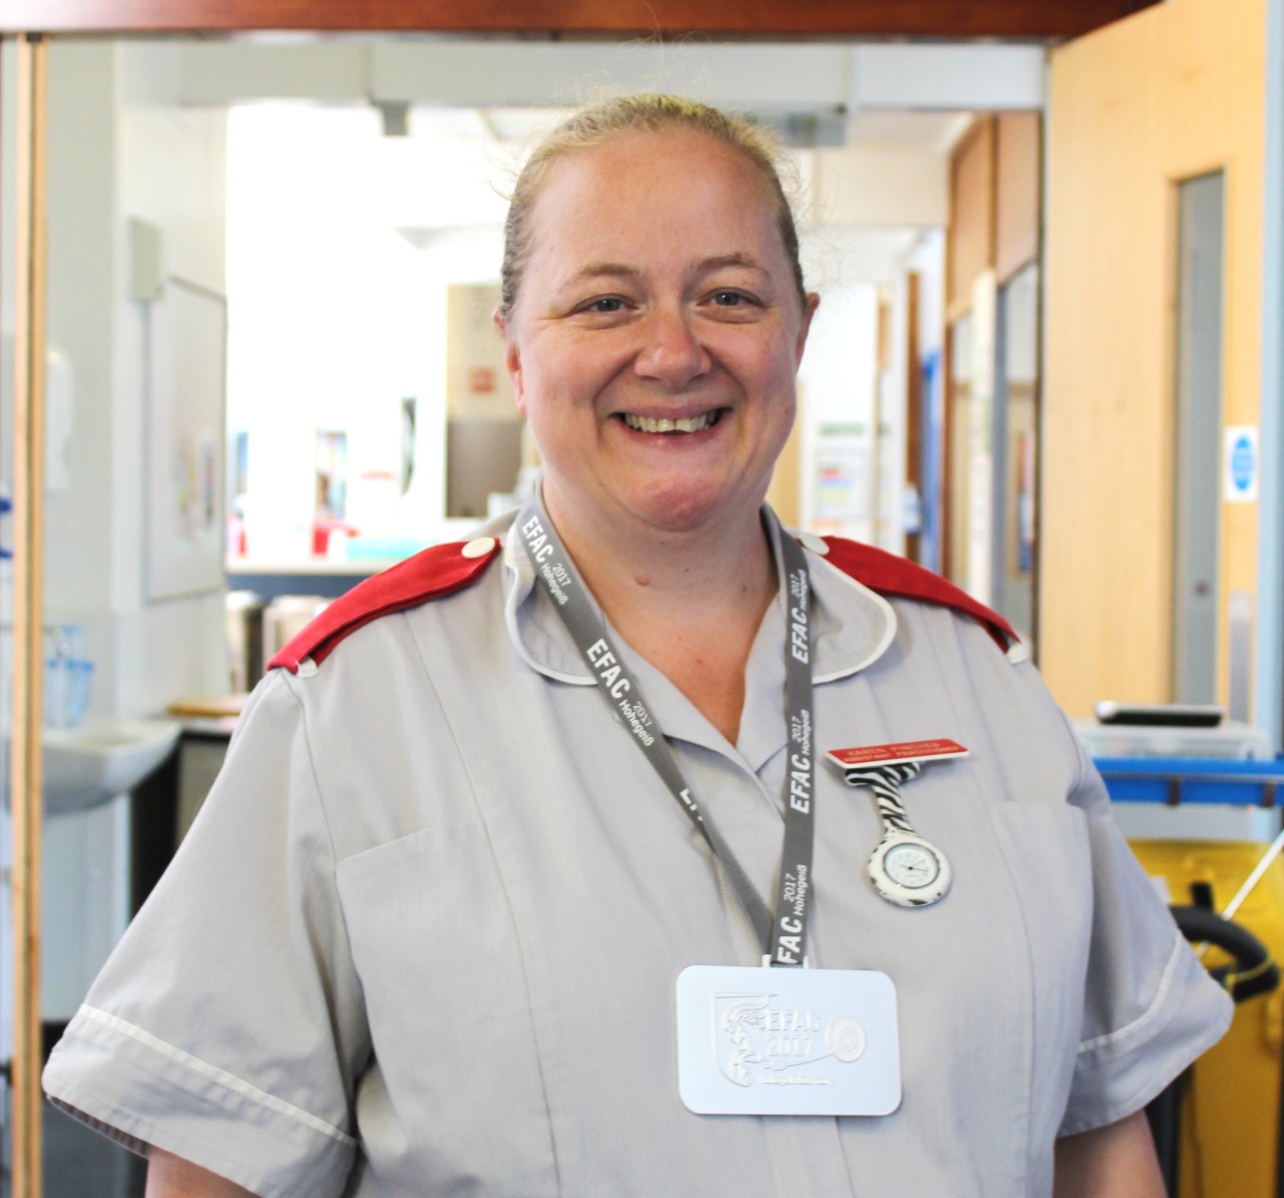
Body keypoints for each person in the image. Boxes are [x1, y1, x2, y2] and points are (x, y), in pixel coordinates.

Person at [44, 94, 1229, 1198]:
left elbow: (1103, 1132)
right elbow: (217, 1167)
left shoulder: (979, 683)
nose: (672, 352)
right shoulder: (354, 712)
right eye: (605, 300)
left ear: (799, 332)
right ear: (516, 348)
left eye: (729, 295)